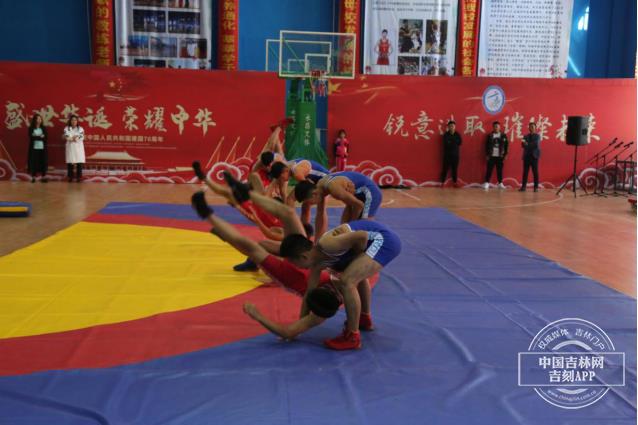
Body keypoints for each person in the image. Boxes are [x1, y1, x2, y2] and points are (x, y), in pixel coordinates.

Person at [223, 172, 398, 350]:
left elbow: (361, 236)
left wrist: (357, 256)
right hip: (368, 238)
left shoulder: (328, 245)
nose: (297, 267)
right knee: (354, 277)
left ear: (303, 257)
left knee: (348, 280)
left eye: (295, 264)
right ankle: (364, 318)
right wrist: (301, 321)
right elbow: (309, 293)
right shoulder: (318, 264)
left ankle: (353, 336)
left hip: (381, 238)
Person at [190, 191, 374, 342]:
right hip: (306, 261)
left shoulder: (319, 313)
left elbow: (288, 331)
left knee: (251, 247)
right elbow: (362, 280)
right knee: (285, 219)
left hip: (291, 274)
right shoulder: (347, 284)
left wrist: (257, 315)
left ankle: (209, 216)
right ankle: (236, 208)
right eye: (330, 289)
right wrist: (364, 316)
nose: (330, 288)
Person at [294, 171, 382, 238]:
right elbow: (348, 205)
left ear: (314, 194)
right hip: (357, 192)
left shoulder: (335, 190)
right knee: (346, 231)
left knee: (363, 227)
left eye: (310, 203)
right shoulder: (320, 186)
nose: (311, 205)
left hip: (370, 192)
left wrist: (351, 226)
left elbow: (359, 205)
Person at [483, 121, 508, 190]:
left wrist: (506, 154)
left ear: (499, 127)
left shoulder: (503, 135)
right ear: (493, 127)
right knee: (489, 170)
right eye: (495, 126)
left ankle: (500, 183)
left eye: (497, 126)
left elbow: (506, 146)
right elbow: (486, 146)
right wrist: (487, 154)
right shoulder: (490, 135)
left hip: (500, 156)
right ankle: (487, 183)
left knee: (499, 170)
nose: (496, 128)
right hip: (491, 155)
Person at [520, 122, 541, 192]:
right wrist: (527, 144)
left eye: (533, 127)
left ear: (535, 128)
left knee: (535, 172)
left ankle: (536, 187)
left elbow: (535, 145)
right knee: (525, 172)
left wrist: (527, 144)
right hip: (526, 156)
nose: (531, 128)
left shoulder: (537, 136)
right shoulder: (525, 136)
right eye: (530, 127)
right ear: (528, 128)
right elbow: (522, 145)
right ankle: (523, 187)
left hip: (534, 156)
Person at [63, 115, 85, 182]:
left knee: (79, 162)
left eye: (75, 120)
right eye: (72, 120)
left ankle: (79, 177)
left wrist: (75, 138)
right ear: (70, 121)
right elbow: (66, 136)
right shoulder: (66, 128)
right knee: (70, 162)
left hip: (78, 147)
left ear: (77, 121)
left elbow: (81, 136)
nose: (74, 121)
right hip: (70, 146)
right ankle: (70, 177)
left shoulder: (80, 129)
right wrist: (73, 138)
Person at [27, 113, 48, 183]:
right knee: (34, 162)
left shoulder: (43, 128)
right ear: (34, 120)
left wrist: (36, 136)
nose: (39, 120)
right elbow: (32, 137)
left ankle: (43, 177)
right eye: (37, 119)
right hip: (34, 148)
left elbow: (45, 138)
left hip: (42, 148)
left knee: (43, 162)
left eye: (40, 119)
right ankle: (33, 177)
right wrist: (40, 136)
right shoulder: (31, 128)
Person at [440, 120, 462, 187]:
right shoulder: (446, 135)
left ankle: (455, 183)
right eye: (450, 126)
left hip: (455, 155)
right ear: (448, 127)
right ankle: (442, 183)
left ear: (455, 127)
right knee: (445, 169)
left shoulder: (457, 134)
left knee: (454, 169)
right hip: (447, 155)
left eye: (453, 126)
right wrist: (454, 142)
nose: (451, 127)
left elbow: (460, 142)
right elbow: (446, 144)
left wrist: (451, 141)